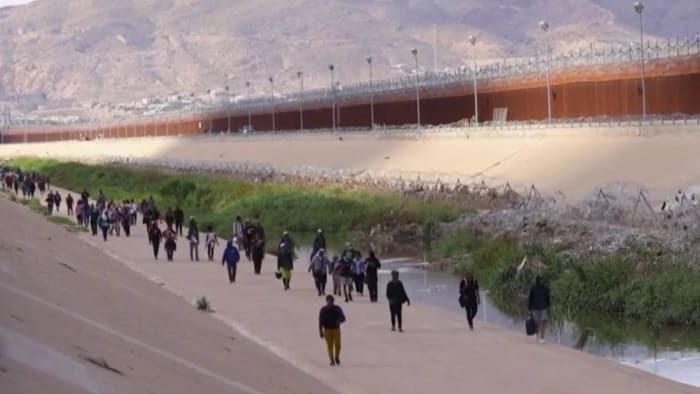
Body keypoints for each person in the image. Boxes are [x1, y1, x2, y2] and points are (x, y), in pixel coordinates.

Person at [319, 295, 346, 366]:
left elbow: (343, 317)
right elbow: (320, 321)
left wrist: (339, 321)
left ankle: (337, 357)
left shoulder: (337, 308)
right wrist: (320, 331)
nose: (330, 303)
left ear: (333, 301)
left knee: (338, 345)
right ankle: (332, 360)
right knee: (329, 345)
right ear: (326, 301)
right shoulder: (323, 310)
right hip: (327, 330)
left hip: (336, 329)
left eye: (331, 301)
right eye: (328, 301)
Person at [528, 275, 551, 344]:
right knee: (537, 322)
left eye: (542, 280)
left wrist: (548, 306)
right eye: (541, 280)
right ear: (537, 280)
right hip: (535, 307)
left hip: (543, 307)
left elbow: (547, 298)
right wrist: (529, 307)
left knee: (543, 321)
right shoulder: (533, 288)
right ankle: (536, 333)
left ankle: (542, 337)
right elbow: (530, 298)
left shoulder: (546, 288)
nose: (542, 282)